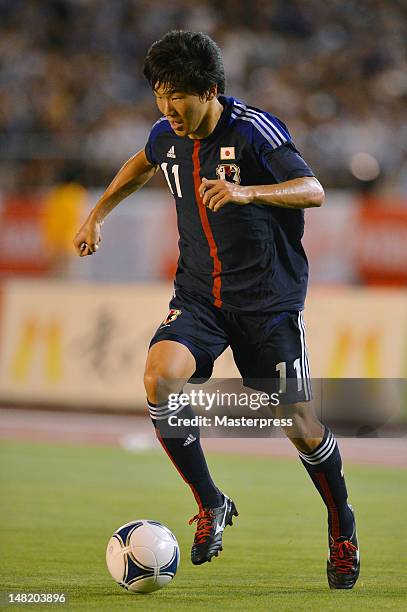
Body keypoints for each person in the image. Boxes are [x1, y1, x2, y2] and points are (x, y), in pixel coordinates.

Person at [74, 30, 360, 589]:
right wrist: (98, 213)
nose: (167, 107)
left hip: (269, 304)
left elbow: (314, 188)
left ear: (209, 91)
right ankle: (211, 502)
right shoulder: (167, 134)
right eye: (159, 93)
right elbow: (141, 162)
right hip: (201, 297)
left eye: (177, 94)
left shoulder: (255, 131)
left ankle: (342, 526)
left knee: (298, 424)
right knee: (160, 376)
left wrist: (250, 193)